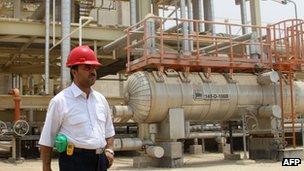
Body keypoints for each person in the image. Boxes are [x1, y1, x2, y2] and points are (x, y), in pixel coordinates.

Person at [39, 45, 115, 171]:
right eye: (87, 67)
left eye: (94, 67)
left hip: (100, 161)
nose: (93, 72)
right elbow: (48, 138)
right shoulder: (60, 101)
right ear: (74, 71)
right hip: (74, 161)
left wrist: (110, 150)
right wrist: (46, 167)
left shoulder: (101, 100)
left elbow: (109, 131)